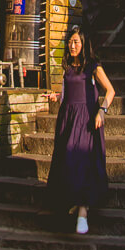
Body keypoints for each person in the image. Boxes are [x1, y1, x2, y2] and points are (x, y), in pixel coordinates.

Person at [45, 26, 115, 235]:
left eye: (76, 42)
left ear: (83, 44)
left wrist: (102, 111)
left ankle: (83, 212)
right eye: (70, 42)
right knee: (66, 159)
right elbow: (66, 94)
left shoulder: (92, 66)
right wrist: (55, 98)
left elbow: (110, 91)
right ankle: (70, 201)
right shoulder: (67, 67)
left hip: (86, 119)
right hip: (67, 118)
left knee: (82, 161)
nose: (72, 45)